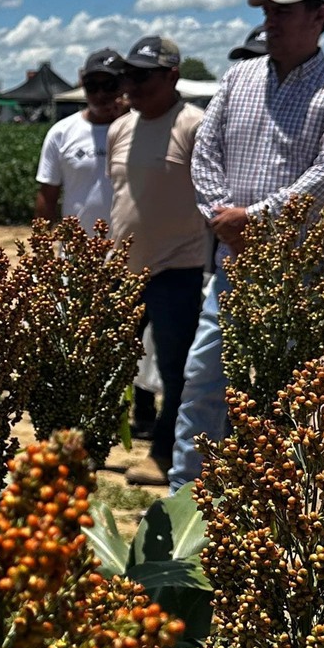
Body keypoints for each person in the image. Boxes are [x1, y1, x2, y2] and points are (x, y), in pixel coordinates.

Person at [171, 0, 324, 487]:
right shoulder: (238, 78)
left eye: (282, 10)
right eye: (266, 10)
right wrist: (221, 216)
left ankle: (264, 518)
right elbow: (205, 152)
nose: (269, 20)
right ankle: (186, 500)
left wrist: (251, 219)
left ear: (319, 16)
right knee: (205, 384)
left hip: (302, 273)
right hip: (235, 266)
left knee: (283, 399)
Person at [106, 35, 210, 476]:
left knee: (174, 368)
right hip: (123, 268)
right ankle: (90, 446)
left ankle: (163, 453)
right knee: (107, 363)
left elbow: (210, 194)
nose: (130, 84)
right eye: (127, 75)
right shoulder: (120, 127)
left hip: (176, 268)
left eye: (142, 76)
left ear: (172, 76)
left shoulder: (194, 125)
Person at [35, 50, 125, 227]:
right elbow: (47, 195)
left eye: (109, 85)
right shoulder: (61, 132)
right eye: (92, 85)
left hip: (130, 250)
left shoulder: (140, 130)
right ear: (81, 82)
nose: (100, 94)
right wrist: (43, 246)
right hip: (78, 250)